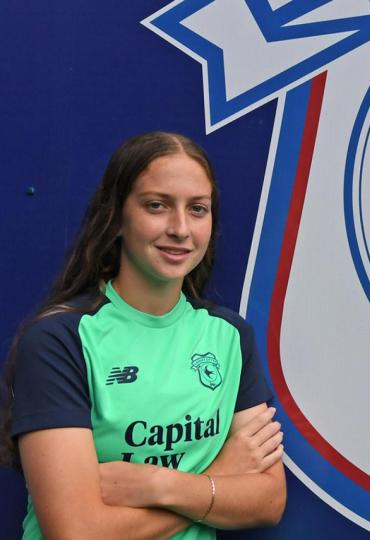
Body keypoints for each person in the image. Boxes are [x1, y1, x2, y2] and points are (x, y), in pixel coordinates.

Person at [0, 132, 286, 539]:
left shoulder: (229, 337)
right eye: (157, 205)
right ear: (116, 217)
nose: (180, 228)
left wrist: (160, 486)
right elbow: (76, 533)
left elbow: (269, 500)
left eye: (198, 209)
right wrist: (218, 479)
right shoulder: (59, 341)